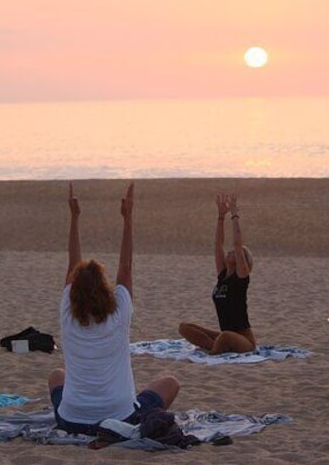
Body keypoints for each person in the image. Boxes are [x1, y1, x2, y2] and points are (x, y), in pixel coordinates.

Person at [47, 183, 180, 436]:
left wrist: (75, 218)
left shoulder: (67, 313)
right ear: (105, 288)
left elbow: (72, 264)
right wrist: (127, 218)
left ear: (73, 291)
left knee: (56, 376)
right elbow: (126, 267)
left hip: (71, 420)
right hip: (122, 416)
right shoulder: (119, 314)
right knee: (170, 383)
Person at [178, 194, 256, 354]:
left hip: (244, 340)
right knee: (185, 328)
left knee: (225, 336)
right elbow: (218, 243)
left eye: (235, 253)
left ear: (243, 262)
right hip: (225, 335)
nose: (230, 252)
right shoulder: (223, 274)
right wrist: (221, 216)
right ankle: (215, 347)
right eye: (231, 252)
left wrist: (234, 215)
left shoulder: (241, 277)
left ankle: (214, 351)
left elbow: (237, 242)